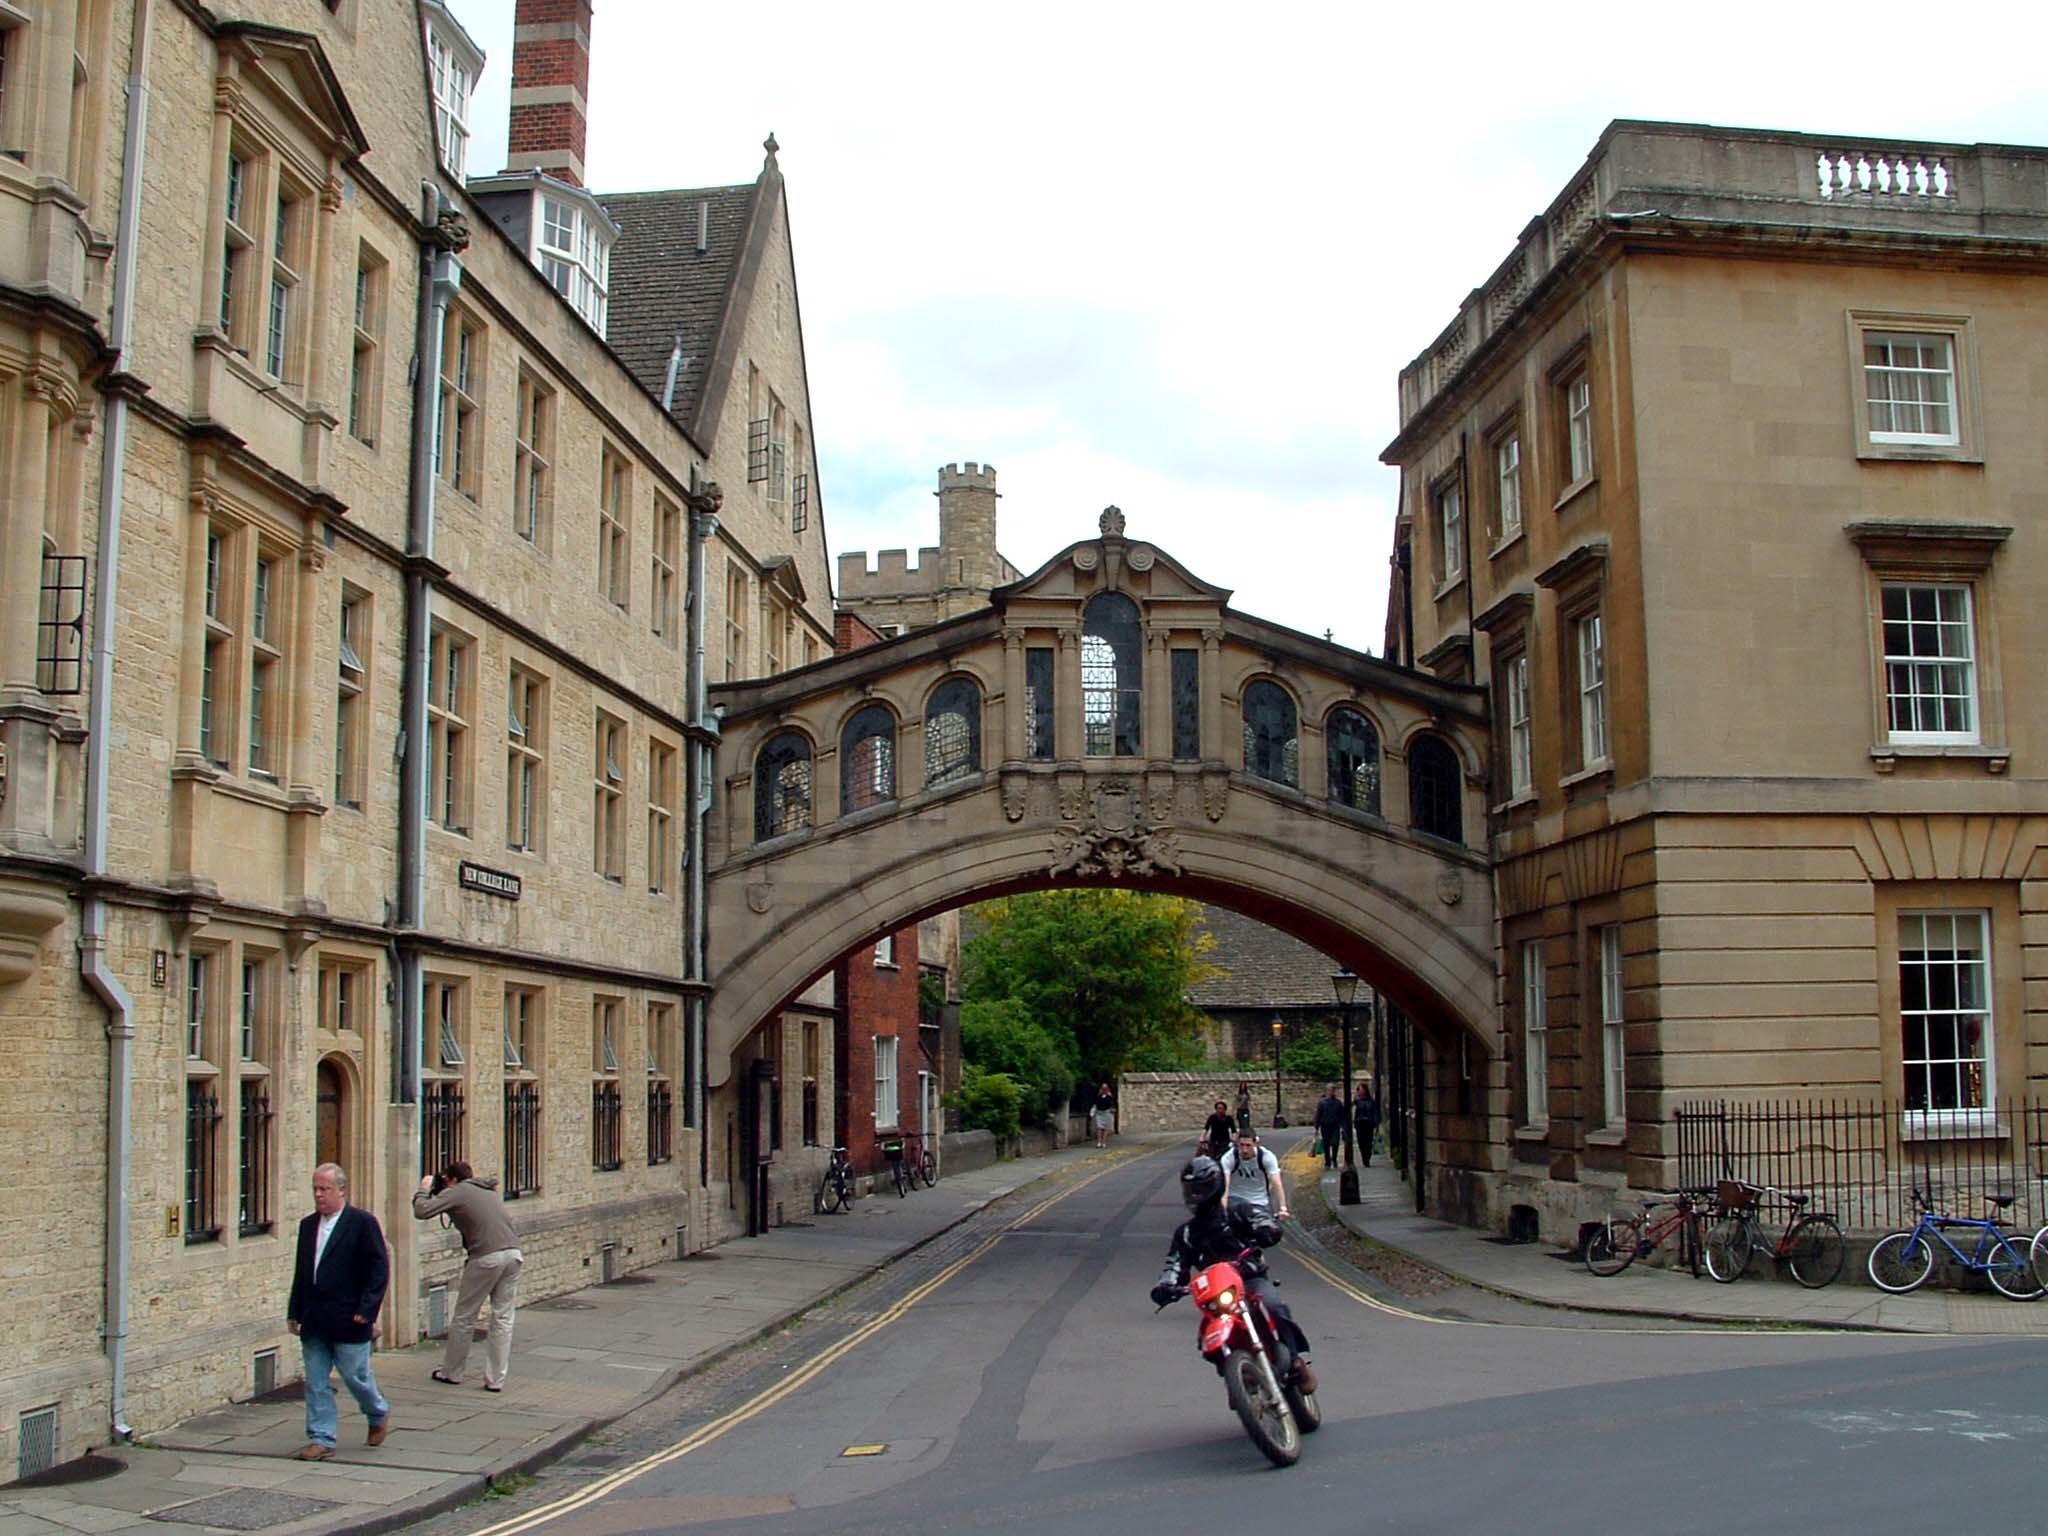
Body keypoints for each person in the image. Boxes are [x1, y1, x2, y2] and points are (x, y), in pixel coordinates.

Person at [1149, 1155, 1315, 1393]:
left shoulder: (1238, 1212)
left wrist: (1267, 1229)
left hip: (1250, 1281)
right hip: (1216, 1297)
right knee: (1205, 1339)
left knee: (1273, 1306)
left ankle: (1295, 1359)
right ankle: (1236, 1378)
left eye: (1200, 1189)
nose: (1195, 1196)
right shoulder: (1186, 1233)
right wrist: (1166, 1285)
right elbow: (1175, 1264)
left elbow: (1262, 1220)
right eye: (1191, 1190)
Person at [287, 1163, 390, 1460]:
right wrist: (295, 1310)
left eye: (325, 1189)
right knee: (316, 1381)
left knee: (355, 1376)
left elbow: (378, 1269)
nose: (319, 1195)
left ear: (341, 1190)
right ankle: (322, 1438)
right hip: (315, 1317)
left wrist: (367, 1309)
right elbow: (303, 1272)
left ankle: (377, 1412)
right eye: (315, 1189)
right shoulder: (308, 1226)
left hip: (350, 1315)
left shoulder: (362, 1223)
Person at [414, 1160, 524, 1392]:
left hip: (486, 1256)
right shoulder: (488, 1191)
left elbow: (421, 1211)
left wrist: (424, 1189)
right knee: (503, 1319)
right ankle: (496, 1380)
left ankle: (452, 1372)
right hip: (513, 1253)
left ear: (451, 1179)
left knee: (465, 1316)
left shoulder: (459, 1190)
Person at [1221, 1129, 1289, 1219]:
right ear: (1237, 1144)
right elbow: (1225, 1186)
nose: (1244, 1150)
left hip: (1259, 1202)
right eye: (1241, 1145)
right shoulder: (1229, 1158)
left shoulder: (1266, 1157)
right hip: (1234, 1200)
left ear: (1255, 1144)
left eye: (1248, 1145)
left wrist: (1283, 1208)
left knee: (1267, 1229)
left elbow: (1277, 1182)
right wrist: (1223, 1210)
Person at [1313, 1085, 1346, 1169]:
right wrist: (1316, 1127)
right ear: (1327, 1091)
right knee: (1326, 1144)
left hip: (1335, 1126)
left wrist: (1343, 1126)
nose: (1330, 1092)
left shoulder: (1338, 1103)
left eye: (1332, 1090)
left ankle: (1334, 1159)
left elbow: (1342, 1115)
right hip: (1325, 1126)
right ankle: (1327, 1162)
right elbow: (1318, 1115)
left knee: (1335, 1143)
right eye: (1329, 1090)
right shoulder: (1322, 1103)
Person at [1353, 1081, 1381, 1168]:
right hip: (1360, 1123)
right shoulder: (1357, 1101)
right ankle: (1364, 1158)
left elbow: (1375, 1112)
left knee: (1368, 1142)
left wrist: (1376, 1124)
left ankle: (1367, 1158)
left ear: (1365, 1090)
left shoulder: (1371, 1101)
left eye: (1361, 1089)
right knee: (1361, 1142)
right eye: (1359, 1090)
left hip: (1369, 1124)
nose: (1360, 1091)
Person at [1091, 1082, 1116, 1149]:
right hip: (1099, 1113)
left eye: (1105, 1088)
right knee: (1099, 1128)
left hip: (1106, 1113)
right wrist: (1093, 1111)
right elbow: (1095, 1104)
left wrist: (1109, 1096)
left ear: (1107, 1089)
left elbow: (1112, 1104)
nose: (1104, 1090)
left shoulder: (1109, 1096)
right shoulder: (1098, 1096)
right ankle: (1099, 1142)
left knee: (1105, 1129)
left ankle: (1104, 1143)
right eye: (1103, 1088)